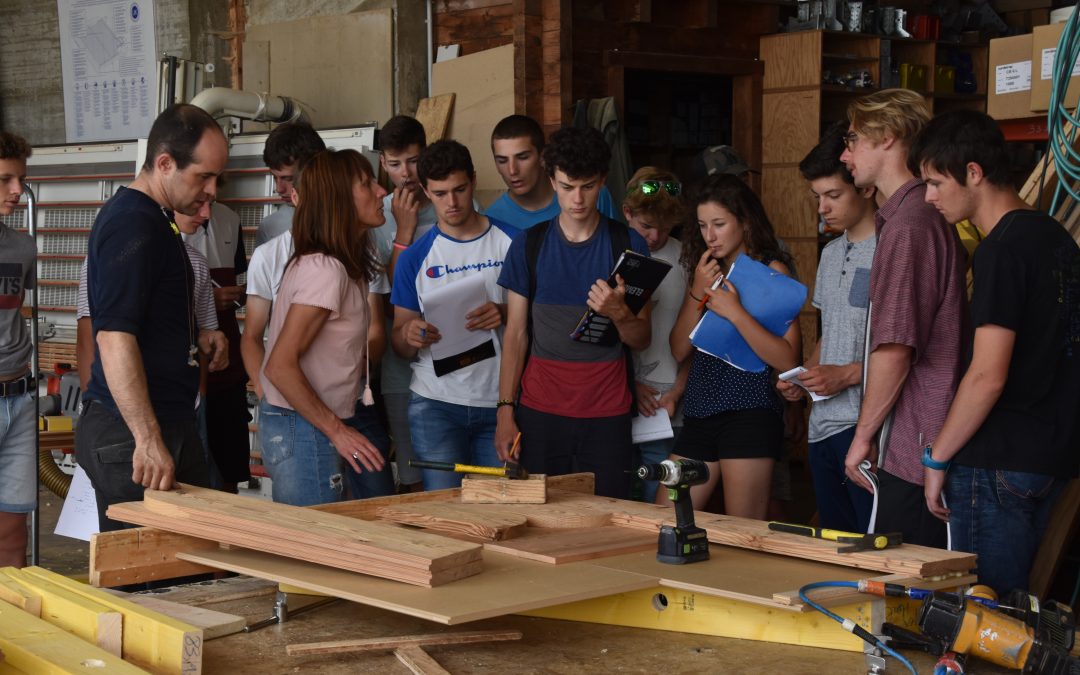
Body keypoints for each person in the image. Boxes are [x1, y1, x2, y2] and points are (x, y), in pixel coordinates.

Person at [910, 110, 1080, 593]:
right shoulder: (1056, 238)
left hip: (999, 463)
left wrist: (937, 458)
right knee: (1020, 617)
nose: (929, 197)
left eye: (936, 182)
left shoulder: (1000, 251)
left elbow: (988, 375)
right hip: (1053, 456)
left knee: (988, 620)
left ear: (973, 173)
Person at [76, 104, 229, 532]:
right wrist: (146, 439)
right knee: (152, 580)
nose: (213, 190)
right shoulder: (133, 225)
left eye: (218, 177)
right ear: (164, 163)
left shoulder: (158, 223)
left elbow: (144, 320)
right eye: (203, 176)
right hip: (133, 433)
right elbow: (114, 337)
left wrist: (196, 335)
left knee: (189, 567)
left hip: (164, 421)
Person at [838, 89, 966, 548]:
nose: (844, 154)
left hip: (914, 446)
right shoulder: (910, 219)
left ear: (888, 137)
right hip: (918, 443)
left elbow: (896, 347)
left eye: (853, 140)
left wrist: (862, 437)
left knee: (902, 599)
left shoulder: (911, 225)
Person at [495, 127, 651, 499]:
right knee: (543, 517)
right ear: (551, 181)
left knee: (608, 517)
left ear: (602, 182)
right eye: (566, 187)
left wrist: (619, 313)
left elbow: (642, 338)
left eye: (588, 186)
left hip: (607, 410)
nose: (577, 198)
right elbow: (516, 334)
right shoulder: (528, 244)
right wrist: (504, 410)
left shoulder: (629, 243)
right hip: (540, 410)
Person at [242, 167, 395, 501]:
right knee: (311, 548)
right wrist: (338, 431)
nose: (382, 191)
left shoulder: (340, 262)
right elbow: (279, 365)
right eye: (367, 184)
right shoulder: (325, 269)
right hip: (305, 427)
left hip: (313, 422)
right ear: (339, 202)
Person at [664, 174, 801, 518]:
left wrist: (736, 312)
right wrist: (697, 287)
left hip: (750, 410)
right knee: (666, 518)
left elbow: (788, 359)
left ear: (745, 222)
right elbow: (679, 350)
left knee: (742, 529)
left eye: (719, 224)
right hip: (699, 409)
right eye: (702, 225)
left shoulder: (772, 269)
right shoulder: (705, 270)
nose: (709, 236)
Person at [390, 140, 517, 490]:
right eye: (440, 193)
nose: (452, 203)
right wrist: (410, 334)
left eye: (459, 190)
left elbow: (544, 318)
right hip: (436, 402)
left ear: (473, 181)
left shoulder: (514, 242)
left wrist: (505, 312)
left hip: (501, 402)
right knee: (442, 512)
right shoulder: (415, 257)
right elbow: (399, 340)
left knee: (500, 508)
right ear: (426, 192)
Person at [777, 124, 877, 533]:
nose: (822, 208)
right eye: (817, 197)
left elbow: (914, 348)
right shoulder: (831, 252)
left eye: (833, 196)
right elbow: (828, 332)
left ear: (866, 188)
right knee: (836, 542)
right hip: (822, 425)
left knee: (875, 544)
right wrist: (804, 377)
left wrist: (849, 374)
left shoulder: (895, 247)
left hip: (868, 425)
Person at [368, 115, 435, 492]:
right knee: (412, 477)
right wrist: (404, 230)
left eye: (413, 161)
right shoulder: (378, 217)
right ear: (383, 163)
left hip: (456, 359)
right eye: (395, 164)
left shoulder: (451, 201)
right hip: (401, 366)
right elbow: (391, 298)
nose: (406, 173)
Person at [621, 167, 689, 502]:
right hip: (621, 390)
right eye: (646, 226)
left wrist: (679, 388)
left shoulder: (686, 257)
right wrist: (628, 383)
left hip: (671, 396)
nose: (654, 237)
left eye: (664, 228)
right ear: (627, 213)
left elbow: (700, 334)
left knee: (662, 488)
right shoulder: (614, 251)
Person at [182, 199, 250, 492]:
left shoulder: (229, 219)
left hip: (226, 363)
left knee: (228, 468)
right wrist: (207, 297)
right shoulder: (161, 225)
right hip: (186, 371)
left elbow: (235, 279)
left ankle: (227, 534)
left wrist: (239, 296)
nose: (205, 210)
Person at [0, 132, 39, 566]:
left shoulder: (21, 247)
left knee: (14, 532)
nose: (17, 191)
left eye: (20, 180)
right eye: (6, 179)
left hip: (19, 398)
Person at [486, 114, 621, 229]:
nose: (512, 170)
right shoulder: (492, 220)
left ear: (543, 156)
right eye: (502, 161)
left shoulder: (595, 193)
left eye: (523, 157)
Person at [255, 122, 327, 247]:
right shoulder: (269, 228)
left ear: (316, 171)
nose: (279, 189)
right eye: (274, 177)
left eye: (288, 178)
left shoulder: (358, 220)